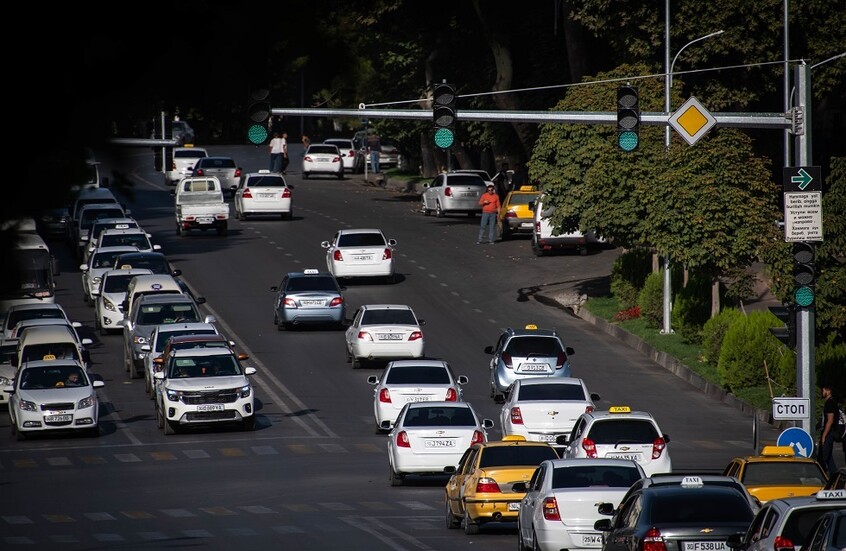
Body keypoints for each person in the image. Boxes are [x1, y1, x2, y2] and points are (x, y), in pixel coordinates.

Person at [818, 382, 838, 477]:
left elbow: (830, 421)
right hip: (828, 433)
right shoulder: (830, 402)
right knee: (829, 458)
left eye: (823, 390)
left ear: (828, 391)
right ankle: (835, 477)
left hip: (829, 433)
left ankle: (821, 478)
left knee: (822, 457)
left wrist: (824, 436)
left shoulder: (830, 403)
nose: (822, 392)